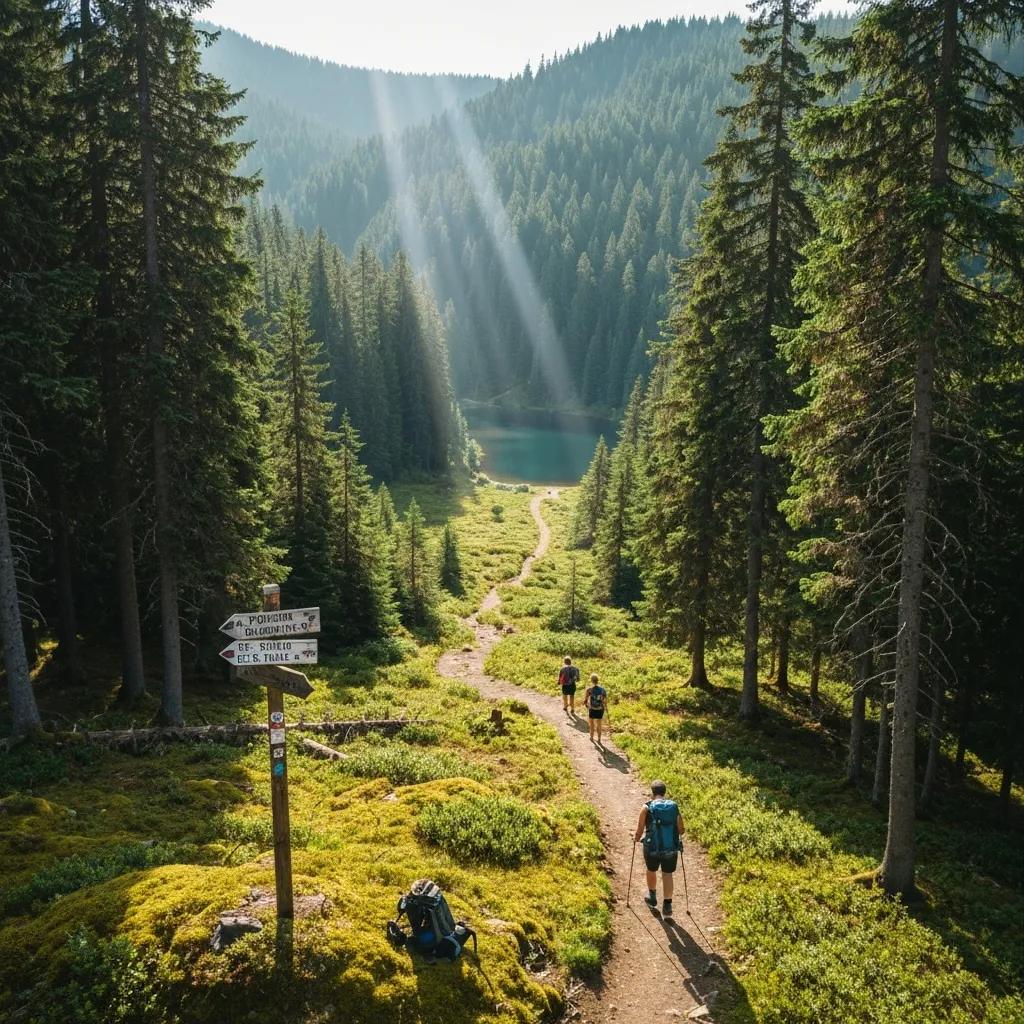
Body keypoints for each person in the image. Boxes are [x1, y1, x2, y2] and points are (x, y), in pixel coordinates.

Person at [633, 780, 682, 918]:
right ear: (664, 792)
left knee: (651, 870)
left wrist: (636, 838)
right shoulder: (673, 807)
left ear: (652, 793)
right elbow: (681, 830)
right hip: (670, 848)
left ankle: (652, 896)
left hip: (652, 847)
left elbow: (640, 829)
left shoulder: (647, 807)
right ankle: (667, 904)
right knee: (667, 874)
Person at [584, 673, 607, 742]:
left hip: (592, 709)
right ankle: (599, 739)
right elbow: (604, 701)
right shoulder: (603, 690)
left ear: (591, 680)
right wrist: (605, 707)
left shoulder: (589, 690)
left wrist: (587, 705)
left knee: (591, 724)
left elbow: (585, 700)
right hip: (600, 709)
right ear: (598, 680)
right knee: (599, 724)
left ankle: (591, 737)